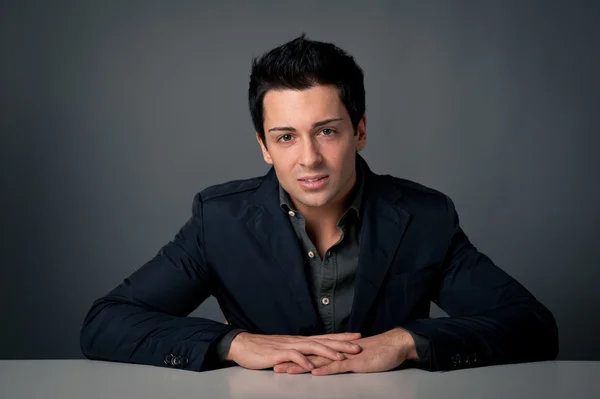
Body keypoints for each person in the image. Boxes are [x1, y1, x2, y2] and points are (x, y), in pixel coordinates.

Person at [80, 34, 559, 375]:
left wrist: (405, 343)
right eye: (285, 137)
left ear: (360, 132)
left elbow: (533, 326)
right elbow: (105, 323)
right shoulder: (219, 219)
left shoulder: (424, 217)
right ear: (265, 147)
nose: (309, 158)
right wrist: (234, 344)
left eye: (327, 131)